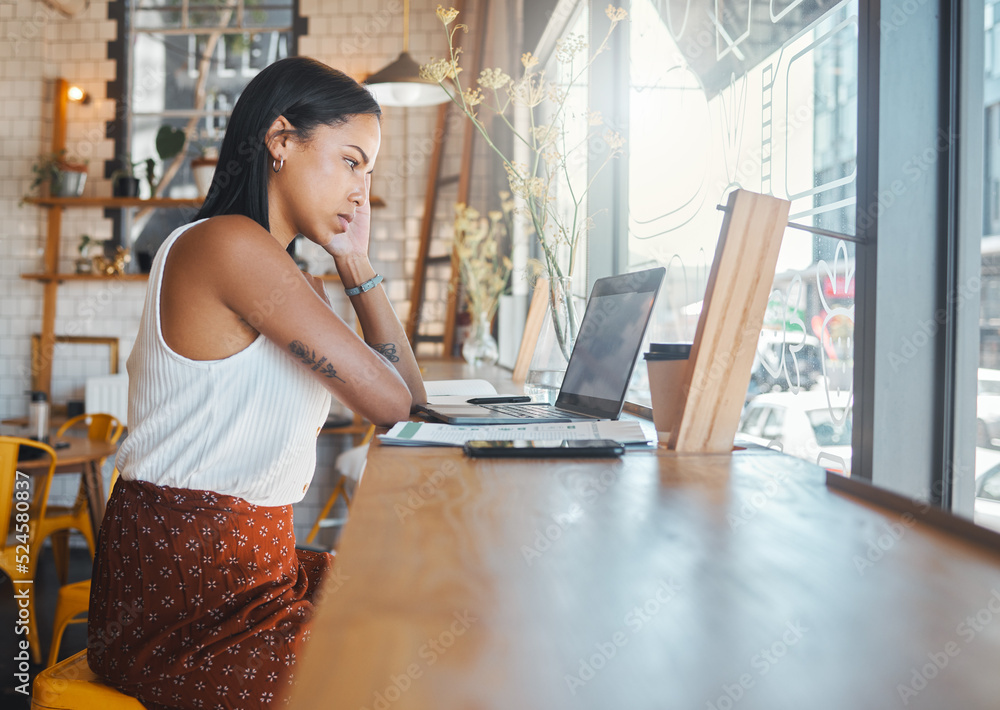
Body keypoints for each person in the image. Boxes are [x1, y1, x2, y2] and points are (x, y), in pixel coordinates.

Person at [87, 56, 426, 709]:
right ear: (280, 141)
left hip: (255, 573)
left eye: (370, 171)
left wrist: (355, 264)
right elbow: (393, 403)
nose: (362, 189)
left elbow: (407, 402)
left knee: (420, 612)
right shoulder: (228, 247)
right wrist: (351, 262)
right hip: (189, 600)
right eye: (352, 161)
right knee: (392, 667)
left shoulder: (289, 275)